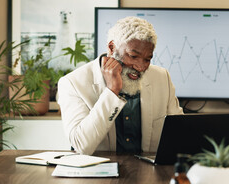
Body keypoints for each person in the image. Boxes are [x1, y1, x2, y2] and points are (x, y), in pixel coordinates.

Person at [57, 16, 183, 155]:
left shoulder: (161, 77)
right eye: (133, 56)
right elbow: (82, 146)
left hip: (148, 172)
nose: (141, 67)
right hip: (98, 172)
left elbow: (179, 134)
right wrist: (111, 91)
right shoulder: (73, 83)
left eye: (147, 59)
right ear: (112, 47)